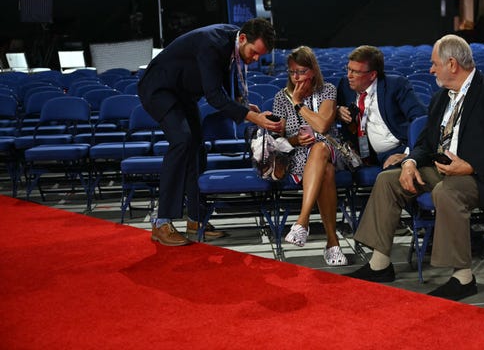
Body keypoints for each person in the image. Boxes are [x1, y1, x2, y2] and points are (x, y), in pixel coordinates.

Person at [346, 34, 484, 301]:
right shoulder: (441, 97)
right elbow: (425, 142)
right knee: (388, 180)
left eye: (434, 64)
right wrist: (409, 162)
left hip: (483, 174)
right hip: (443, 168)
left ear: (452, 64)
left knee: (447, 191)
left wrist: (470, 166)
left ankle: (463, 278)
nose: (430, 69)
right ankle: (380, 265)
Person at [138, 18, 282, 246]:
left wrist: (241, 104)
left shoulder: (233, 41)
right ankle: (161, 222)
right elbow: (214, 96)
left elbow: (224, 73)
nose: (255, 59)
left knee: (197, 147)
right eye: (254, 53)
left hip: (182, 93)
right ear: (243, 39)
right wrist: (252, 117)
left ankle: (196, 218)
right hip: (159, 89)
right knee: (182, 141)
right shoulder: (212, 43)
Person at [272, 46, 348, 266]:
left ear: (313, 71)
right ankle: (332, 244)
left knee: (321, 148)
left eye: (302, 71)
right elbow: (278, 140)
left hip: (331, 150)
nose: (296, 77)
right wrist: (296, 140)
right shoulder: (280, 97)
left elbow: (323, 125)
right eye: (292, 72)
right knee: (326, 171)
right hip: (299, 159)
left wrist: (297, 104)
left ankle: (302, 221)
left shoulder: (328, 91)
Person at [336, 45, 426, 169]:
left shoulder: (395, 86)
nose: (349, 75)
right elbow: (329, 113)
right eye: (348, 69)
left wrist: (407, 153)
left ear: (372, 75)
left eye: (355, 72)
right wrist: (337, 110)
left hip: (396, 149)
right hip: (361, 154)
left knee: (391, 173)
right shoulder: (345, 86)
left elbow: (420, 120)